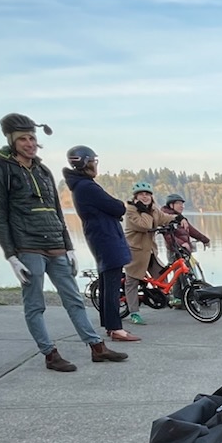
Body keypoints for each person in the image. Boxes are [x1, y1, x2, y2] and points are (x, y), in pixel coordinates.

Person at [0, 113, 125, 370]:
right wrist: (11, 256)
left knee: (73, 298)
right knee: (35, 303)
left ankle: (96, 346)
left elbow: (56, 210)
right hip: (27, 246)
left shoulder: (42, 169)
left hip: (56, 245)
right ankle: (50, 353)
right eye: (23, 139)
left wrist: (69, 246)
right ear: (12, 140)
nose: (30, 143)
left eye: (32, 138)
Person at [61, 146, 138, 344]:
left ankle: (109, 325)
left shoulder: (81, 185)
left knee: (107, 283)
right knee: (112, 284)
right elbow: (116, 206)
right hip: (106, 238)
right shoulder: (87, 186)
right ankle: (116, 328)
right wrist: (120, 205)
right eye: (93, 161)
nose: (95, 165)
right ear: (85, 162)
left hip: (99, 237)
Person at [123, 184, 172, 325]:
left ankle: (164, 298)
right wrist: (143, 210)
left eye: (147, 194)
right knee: (132, 282)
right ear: (136, 197)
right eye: (141, 194)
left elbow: (164, 217)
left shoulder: (154, 210)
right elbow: (145, 225)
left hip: (150, 251)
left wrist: (179, 219)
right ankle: (134, 313)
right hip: (136, 252)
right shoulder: (132, 210)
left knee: (162, 275)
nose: (145, 196)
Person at [161, 193, 211, 306]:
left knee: (182, 275)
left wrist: (205, 239)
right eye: (179, 204)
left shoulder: (180, 218)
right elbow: (168, 236)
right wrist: (182, 244)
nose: (182, 206)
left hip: (183, 250)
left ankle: (181, 300)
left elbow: (191, 230)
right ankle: (183, 299)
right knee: (181, 276)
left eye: (182, 204)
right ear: (171, 205)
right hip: (175, 251)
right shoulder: (166, 217)